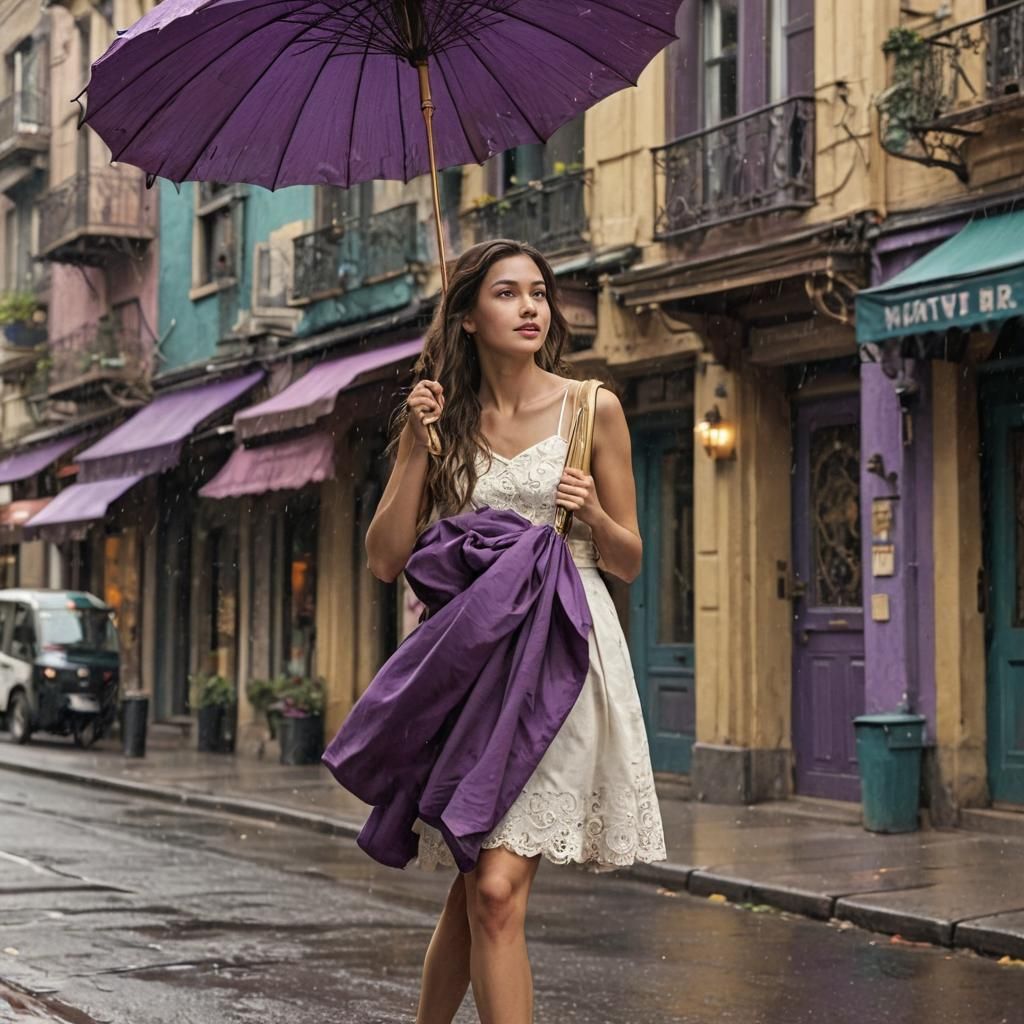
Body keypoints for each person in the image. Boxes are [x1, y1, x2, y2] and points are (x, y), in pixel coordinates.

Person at [365, 239, 667, 1024]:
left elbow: (630, 560)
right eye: (507, 293)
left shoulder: (591, 407)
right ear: (467, 317)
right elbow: (385, 557)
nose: (531, 307)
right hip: (474, 667)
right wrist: (409, 450)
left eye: (539, 292)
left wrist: (594, 514)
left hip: (565, 655)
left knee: (494, 889)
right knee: (475, 889)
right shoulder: (440, 425)